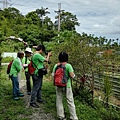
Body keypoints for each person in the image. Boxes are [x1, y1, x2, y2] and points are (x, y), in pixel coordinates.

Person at [52, 52, 78, 120]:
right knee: (70, 101)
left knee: (59, 100)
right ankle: (73, 117)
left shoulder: (56, 65)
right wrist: (74, 75)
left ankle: (61, 116)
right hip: (67, 85)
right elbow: (72, 75)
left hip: (58, 85)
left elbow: (53, 75)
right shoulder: (68, 65)